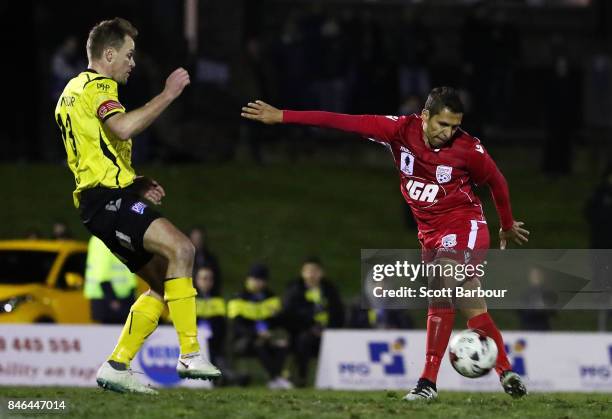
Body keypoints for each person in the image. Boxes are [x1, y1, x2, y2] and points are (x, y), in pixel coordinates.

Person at [241, 87, 530, 400]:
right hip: (430, 234)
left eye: (454, 126)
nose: (448, 133)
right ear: (424, 117)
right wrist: (282, 116)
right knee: (472, 306)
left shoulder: (468, 149)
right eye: (442, 125)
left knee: (441, 284)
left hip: (466, 227)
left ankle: (427, 383)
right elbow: (341, 121)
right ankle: (506, 370)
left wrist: (507, 224)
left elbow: (497, 181)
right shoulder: (398, 131)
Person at [54, 17, 220, 394]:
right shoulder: (99, 86)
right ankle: (191, 353)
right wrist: (168, 94)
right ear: (108, 54)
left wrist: (133, 181)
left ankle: (117, 365)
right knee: (183, 248)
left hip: (102, 201)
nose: (132, 62)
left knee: (164, 285)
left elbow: (95, 149)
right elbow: (123, 128)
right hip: (106, 200)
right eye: (128, 55)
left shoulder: (70, 90)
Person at [228, 264, 293, 389]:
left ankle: (276, 378)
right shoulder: (238, 298)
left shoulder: (271, 297)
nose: (258, 283)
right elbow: (238, 327)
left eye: (261, 280)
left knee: (282, 343)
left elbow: (279, 323)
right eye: (255, 279)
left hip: (268, 337)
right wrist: (256, 334)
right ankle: (276, 378)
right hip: (244, 341)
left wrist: (278, 316)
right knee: (259, 343)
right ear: (248, 279)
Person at [282, 257, 344, 387]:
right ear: (302, 273)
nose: (312, 274)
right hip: (303, 333)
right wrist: (310, 327)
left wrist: (328, 329)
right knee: (303, 341)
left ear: (321, 273)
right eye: (308, 271)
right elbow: (290, 314)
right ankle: (301, 377)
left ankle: (338, 380)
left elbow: (339, 313)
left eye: (315, 271)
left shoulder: (330, 290)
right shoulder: (294, 290)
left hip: (328, 333)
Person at [85, 235, 137, 324]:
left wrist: (132, 295)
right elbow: (101, 274)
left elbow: (128, 271)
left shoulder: (121, 237)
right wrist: (112, 299)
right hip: (107, 300)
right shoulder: (102, 239)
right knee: (111, 334)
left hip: (123, 299)